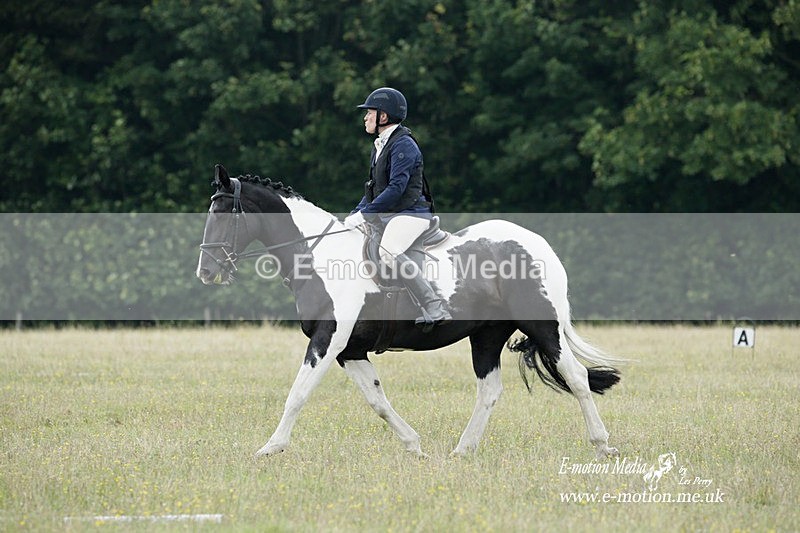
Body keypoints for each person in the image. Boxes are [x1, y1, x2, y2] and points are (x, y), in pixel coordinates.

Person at [343, 87, 451, 328]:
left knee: (389, 251)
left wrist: (365, 214)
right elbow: (373, 190)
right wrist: (355, 214)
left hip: (411, 213)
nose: (365, 117)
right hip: (393, 214)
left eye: (370, 112)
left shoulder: (404, 145)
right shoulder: (380, 145)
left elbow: (396, 189)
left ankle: (434, 305)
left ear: (383, 116)